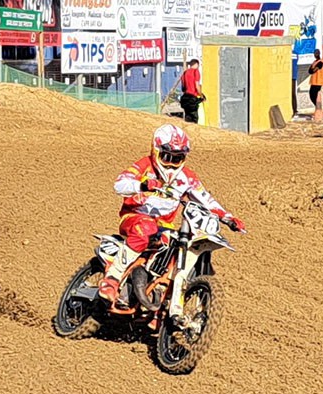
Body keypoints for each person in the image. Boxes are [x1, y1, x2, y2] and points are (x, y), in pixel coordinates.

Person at [98, 124, 245, 304]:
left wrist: (228, 217)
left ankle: (160, 297)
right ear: (156, 151)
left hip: (164, 228)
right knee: (145, 228)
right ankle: (112, 280)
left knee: (180, 249)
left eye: (177, 159)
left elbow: (206, 199)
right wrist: (143, 185)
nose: (170, 164)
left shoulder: (186, 177)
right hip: (134, 217)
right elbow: (119, 184)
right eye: (167, 157)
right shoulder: (144, 165)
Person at [180, 59, 206, 124]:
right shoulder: (195, 72)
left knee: (187, 118)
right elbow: (197, 86)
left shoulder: (185, 73)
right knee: (195, 119)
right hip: (192, 98)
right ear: (196, 64)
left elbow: (183, 88)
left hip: (185, 99)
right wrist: (201, 95)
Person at [308, 49, 323, 121]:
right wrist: (312, 70)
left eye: (316, 53)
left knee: (315, 96)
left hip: (318, 82)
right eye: (315, 53)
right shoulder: (314, 62)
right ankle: (317, 108)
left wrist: (312, 70)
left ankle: (318, 110)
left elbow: (313, 70)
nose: (315, 54)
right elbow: (310, 71)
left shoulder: (320, 62)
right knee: (311, 95)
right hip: (313, 82)